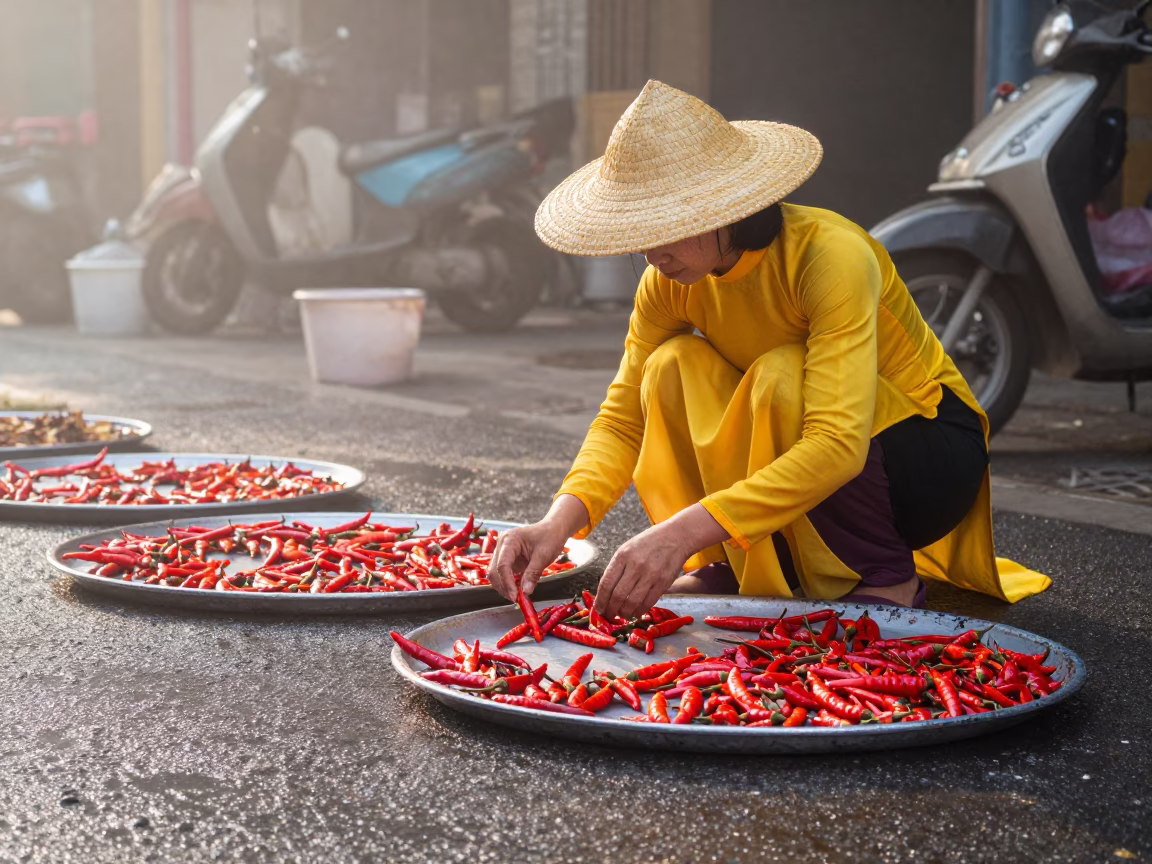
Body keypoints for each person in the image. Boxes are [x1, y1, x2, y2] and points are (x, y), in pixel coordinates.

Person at [490, 80, 1049, 619]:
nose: (650, 251)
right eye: (639, 229)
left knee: (782, 374)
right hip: (816, 456)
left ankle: (882, 574)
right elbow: (623, 417)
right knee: (670, 366)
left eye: (666, 224)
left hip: (924, 458)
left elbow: (836, 443)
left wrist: (681, 533)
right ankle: (738, 561)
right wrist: (557, 525)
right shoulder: (668, 283)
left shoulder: (830, 256)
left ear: (724, 209)